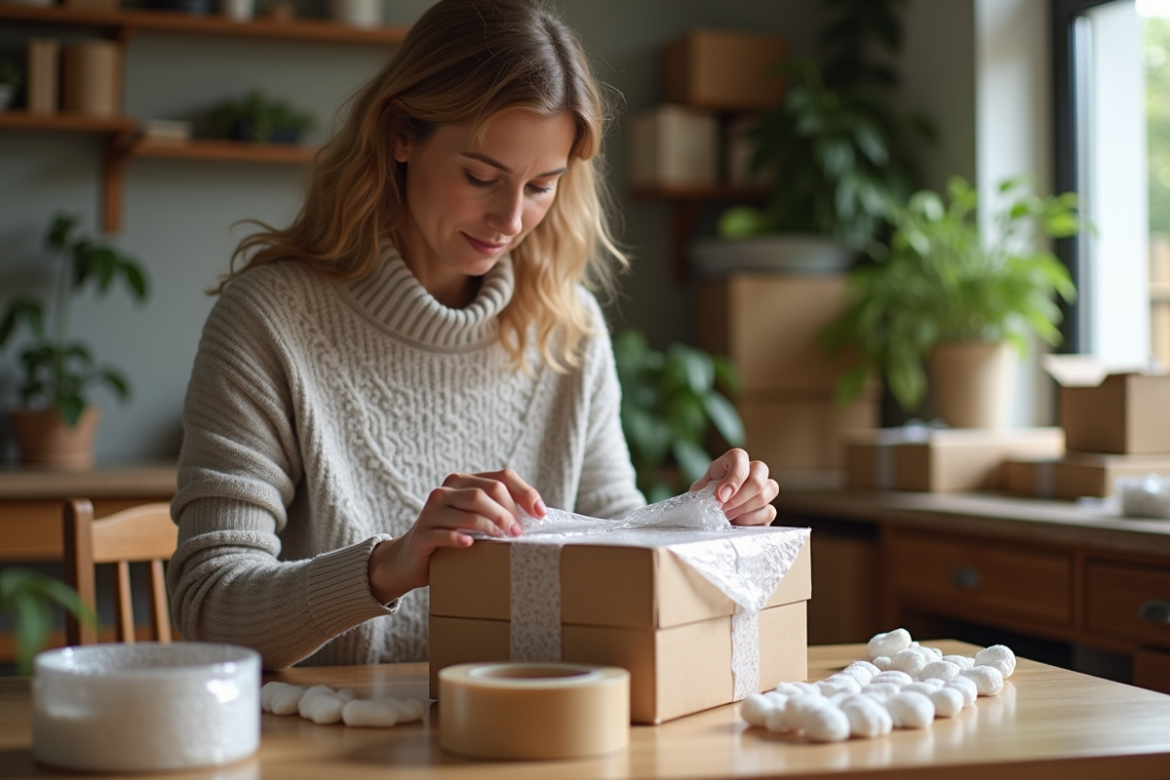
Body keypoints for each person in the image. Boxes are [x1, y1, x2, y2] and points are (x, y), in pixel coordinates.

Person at [167, 0, 780, 671]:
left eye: (542, 186)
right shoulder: (269, 320)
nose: (511, 219)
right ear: (401, 134)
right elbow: (208, 609)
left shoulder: (568, 329)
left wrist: (698, 523)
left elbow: (614, 544)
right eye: (481, 177)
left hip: (530, 735)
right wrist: (390, 566)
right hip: (330, 742)